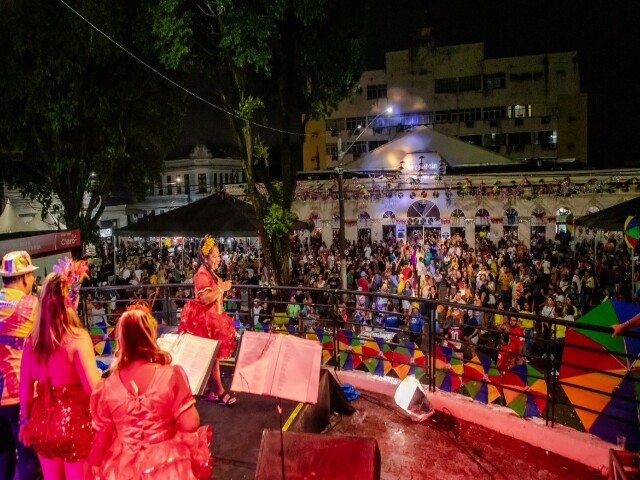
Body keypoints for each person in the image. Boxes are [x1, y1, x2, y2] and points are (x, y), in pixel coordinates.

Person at [88, 306, 212, 479]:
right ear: (150, 336)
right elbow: (190, 423)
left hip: (124, 469)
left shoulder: (106, 388)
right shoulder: (170, 375)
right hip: (167, 466)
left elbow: (101, 441)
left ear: (121, 340)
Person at [19, 259, 100, 479]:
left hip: (42, 423)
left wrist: (24, 422)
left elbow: (25, 388)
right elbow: (94, 389)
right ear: (70, 298)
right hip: (75, 424)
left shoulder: (31, 342)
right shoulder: (77, 338)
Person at [177, 235, 237, 405]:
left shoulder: (209, 271)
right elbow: (204, 298)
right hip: (206, 322)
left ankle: (208, 390)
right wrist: (222, 288)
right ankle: (220, 392)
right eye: (215, 255)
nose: (218, 258)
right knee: (214, 359)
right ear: (205, 256)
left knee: (212, 359)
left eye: (218, 255)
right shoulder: (201, 275)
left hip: (215, 318)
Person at [0, 251, 42, 480]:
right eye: (32, 275)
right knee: (28, 459)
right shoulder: (31, 305)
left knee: (3, 459)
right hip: (20, 395)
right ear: (24, 277)